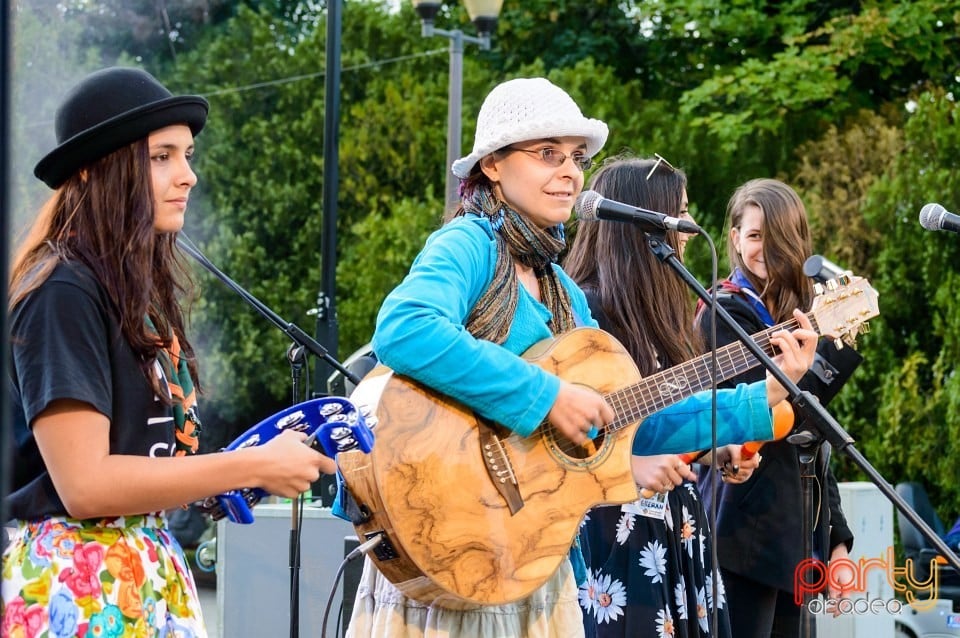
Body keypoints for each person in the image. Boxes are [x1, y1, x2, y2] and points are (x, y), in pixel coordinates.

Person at [343, 78, 817, 637]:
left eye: (575, 157)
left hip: (531, 552)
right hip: (451, 529)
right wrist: (546, 396)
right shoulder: (467, 244)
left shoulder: (563, 291)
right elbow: (405, 329)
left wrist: (764, 395)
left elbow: (626, 416)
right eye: (547, 154)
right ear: (493, 165)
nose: (569, 171)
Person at [1, 67, 335, 637]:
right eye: (162, 157)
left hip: (141, 571)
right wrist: (249, 464)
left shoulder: (130, 290)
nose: (188, 175)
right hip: (79, 583)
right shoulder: (62, 288)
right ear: (93, 168)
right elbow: (84, 485)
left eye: (187, 154)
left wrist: (217, 478)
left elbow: (143, 462)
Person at [565, 156, 763, 637]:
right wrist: (630, 466)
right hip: (613, 533)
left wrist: (712, 449)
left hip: (675, 526)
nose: (690, 228)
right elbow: (567, 434)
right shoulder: (584, 308)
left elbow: (659, 421)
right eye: (678, 213)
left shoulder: (659, 313)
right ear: (641, 223)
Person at [696, 178, 863, 638]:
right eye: (753, 236)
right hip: (740, 537)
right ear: (733, 239)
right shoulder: (722, 312)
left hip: (799, 541)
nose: (763, 249)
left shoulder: (797, 316)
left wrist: (837, 540)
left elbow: (815, 438)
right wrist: (833, 357)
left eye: (777, 238)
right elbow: (776, 418)